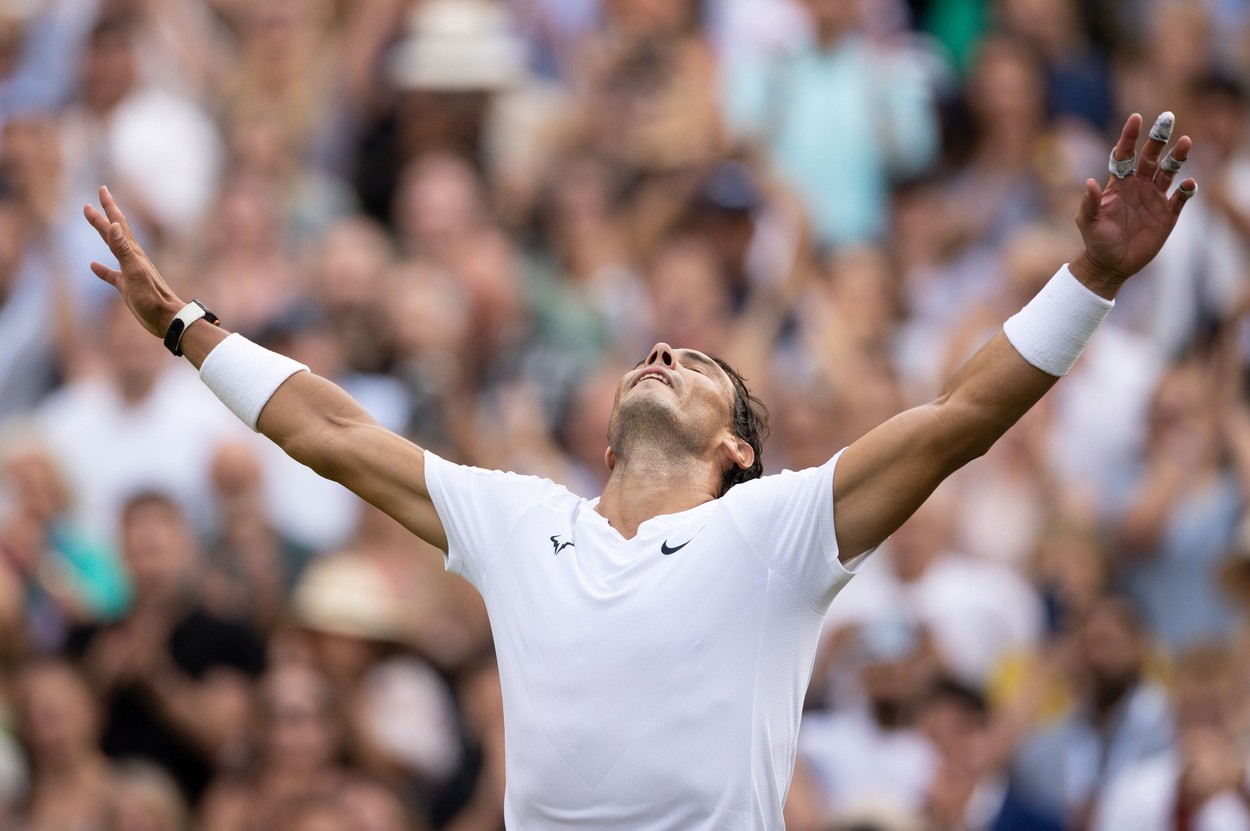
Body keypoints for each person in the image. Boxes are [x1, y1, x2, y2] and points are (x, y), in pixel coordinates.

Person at [82, 111, 1196, 828]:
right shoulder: (520, 519)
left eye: (697, 364)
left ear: (735, 450)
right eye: (651, 354)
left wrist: (1088, 278)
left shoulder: (777, 532)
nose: (661, 351)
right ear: (608, 436)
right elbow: (331, 432)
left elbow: (958, 415)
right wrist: (182, 323)